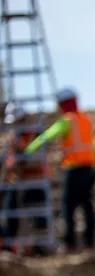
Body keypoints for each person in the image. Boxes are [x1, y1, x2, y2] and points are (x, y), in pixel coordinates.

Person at [25, 87, 95, 250]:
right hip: (89, 169)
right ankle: (89, 242)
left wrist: (28, 150)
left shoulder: (67, 121)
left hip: (74, 169)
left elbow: (47, 136)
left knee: (68, 207)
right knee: (87, 205)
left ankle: (70, 243)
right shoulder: (86, 120)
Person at [2, 102, 51, 252]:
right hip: (16, 181)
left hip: (35, 181)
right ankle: (10, 247)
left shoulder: (35, 135)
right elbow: (10, 161)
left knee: (38, 216)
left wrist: (22, 157)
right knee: (11, 214)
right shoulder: (14, 137)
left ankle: (41, 248)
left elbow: (36, 159)